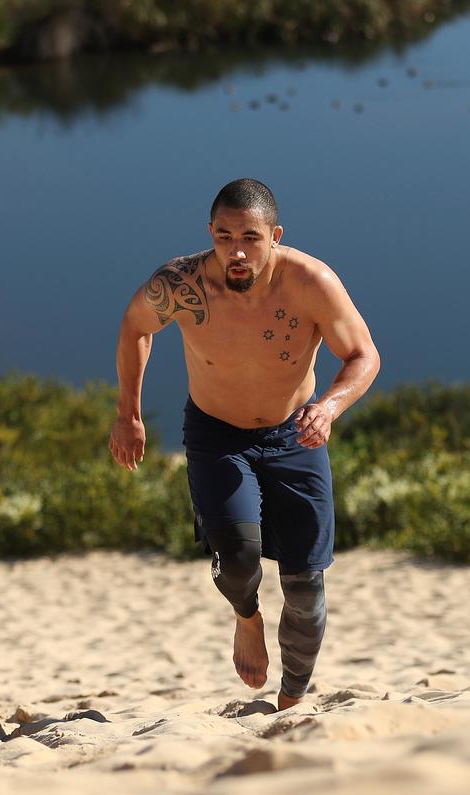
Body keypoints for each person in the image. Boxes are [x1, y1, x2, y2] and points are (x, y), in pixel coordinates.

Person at [109, 178, 381, 712]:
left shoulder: (311, 282)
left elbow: (364, 355)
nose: (236, 251)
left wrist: (328, 407)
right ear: (209, 233)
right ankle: (246, 617)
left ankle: (292, 700)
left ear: (274, 235)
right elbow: (134, 327)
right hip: (216, 434)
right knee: (237, 558)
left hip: (294, 433)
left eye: (250, 238)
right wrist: (129, 415)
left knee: (305, 584)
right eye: (224, 235)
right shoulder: (181, 285)